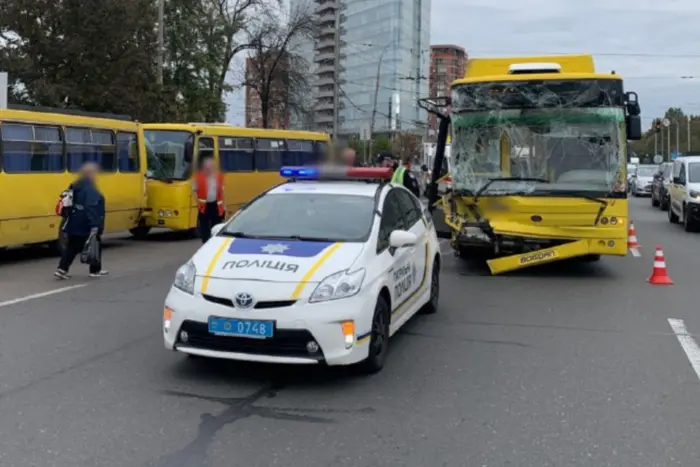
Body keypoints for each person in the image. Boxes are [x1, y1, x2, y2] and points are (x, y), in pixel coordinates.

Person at [55, 162, 108, 279]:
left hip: (73, 221)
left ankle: (62, 269)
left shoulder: (76, 185)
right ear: (90, 174)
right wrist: (94, 225)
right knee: (94, 244)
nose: (96, 175)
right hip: (85, 223)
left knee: (72, 247)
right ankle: (94, 270)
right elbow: (91, 207)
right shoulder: (89, 188)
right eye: (95, 173)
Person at [193, 156, 225, 243]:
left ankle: (215, 242)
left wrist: (224, 206)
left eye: (211, 167)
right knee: (204, 227)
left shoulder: (218, 176)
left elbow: (222, 191)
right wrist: (198, 203)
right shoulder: (199, 177)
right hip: (204, 206)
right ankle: (205, 243)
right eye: (207, 167)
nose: (209, 169)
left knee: (216, 226)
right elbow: (194, 191)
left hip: (216, 205)